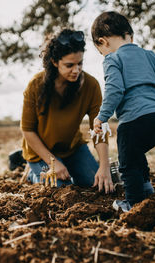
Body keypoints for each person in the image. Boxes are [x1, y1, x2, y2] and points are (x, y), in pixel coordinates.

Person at [91, 11, 155, 211]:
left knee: (127, 163)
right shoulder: (149, 55)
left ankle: (134, 204)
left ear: (102, 42)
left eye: (101, 51)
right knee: (137, 153)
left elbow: (115, 90)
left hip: (133, 120)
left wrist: (102, 116)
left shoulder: (112, 59)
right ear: (130, 36)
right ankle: (146, 189)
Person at [20, 29, 114, 193]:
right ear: (55, 62)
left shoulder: (91, 86)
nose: (76, 70)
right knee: (61, 190)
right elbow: (27, 130)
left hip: (72, 149)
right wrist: (53, 162)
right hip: (40, 151)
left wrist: (104, 166)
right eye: (69, 65)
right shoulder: (35, 85)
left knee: (97, 183)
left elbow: (98, 128)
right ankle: (34, 174)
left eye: (80, 64)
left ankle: (62, 169)